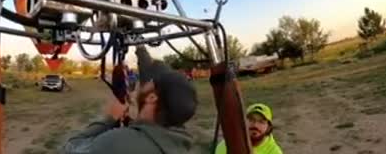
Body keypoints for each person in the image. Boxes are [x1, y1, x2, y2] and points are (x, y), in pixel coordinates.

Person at [60, 45, 198, 153]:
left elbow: (70, 148)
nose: (139, 84)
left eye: (146, 82)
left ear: (152, 97)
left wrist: (109, 119)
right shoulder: (178, 138)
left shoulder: (119, 142)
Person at [215, 103, 283, 154]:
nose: (255, 125)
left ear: (269, 128)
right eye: (251, 120)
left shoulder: (274, 152)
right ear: (243, 123)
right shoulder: (226, 145)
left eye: (261, 122)